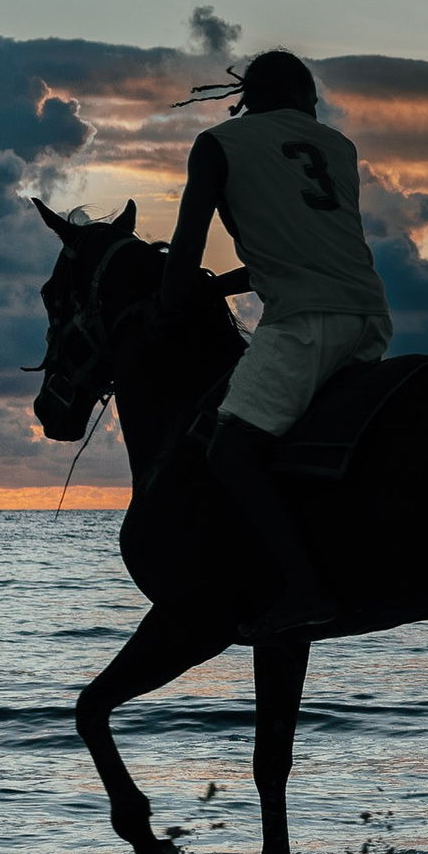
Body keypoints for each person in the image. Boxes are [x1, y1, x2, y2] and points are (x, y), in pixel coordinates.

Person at [161, 49, 390, 641]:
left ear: (246, 98)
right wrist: (227, 287)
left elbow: (185, 250)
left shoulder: (218, 143)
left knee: (230, 450)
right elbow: (303, 249)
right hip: (369, 317)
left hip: (305, 323)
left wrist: (165, 310)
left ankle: (305, 590)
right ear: (301, 97)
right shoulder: (337, 146)